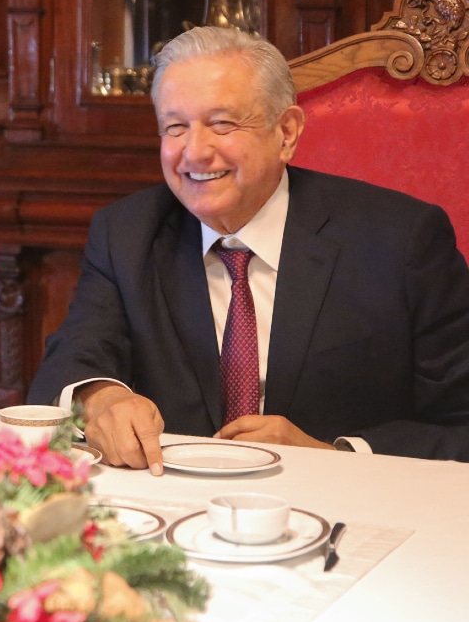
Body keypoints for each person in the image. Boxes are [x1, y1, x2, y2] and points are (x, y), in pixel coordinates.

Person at [27, 26, 469, 473]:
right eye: (175, 127)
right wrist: (101, 398)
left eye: (222, 123)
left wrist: (334, 455)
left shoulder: (402, 241)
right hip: (177, 510)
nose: (194, 152)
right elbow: (67, 362)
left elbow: (460, 426)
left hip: (347, 511)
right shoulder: (126, 234)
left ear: (287, 133)